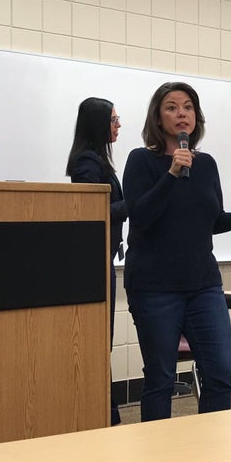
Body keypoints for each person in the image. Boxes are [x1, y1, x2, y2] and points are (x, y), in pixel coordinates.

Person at [122, 81, 231, 422]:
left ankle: (211, 452)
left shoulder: (206, 164)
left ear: (196, 117)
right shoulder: (141, 160)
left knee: (220, 374)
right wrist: (172, 173)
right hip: (154, 288)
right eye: (172, 107)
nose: (182, 113)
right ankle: (159, 456)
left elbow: (209, 222)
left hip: (203, 286)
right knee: (161, 379)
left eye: (188, 107)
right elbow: (142, 217)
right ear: (158, 117)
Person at [66, 97, 127, 426]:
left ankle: (107, 413)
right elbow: (96, 210)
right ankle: (106, 415)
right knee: (97, 341)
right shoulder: (88, 163)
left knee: (102, 341)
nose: (118, 125)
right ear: (99, 123)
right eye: (114, 119)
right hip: (92, 263)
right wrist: (136, 203)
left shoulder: (96, 159)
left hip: (101, 259)